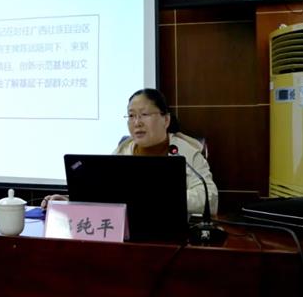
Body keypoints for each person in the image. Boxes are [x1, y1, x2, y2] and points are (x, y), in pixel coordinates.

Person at [42, 88, 219, 216]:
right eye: (131, 115)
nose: (137, 123)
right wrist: (69, 201)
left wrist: (154, 198)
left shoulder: (186, 152)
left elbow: (210, 199)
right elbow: (102, 193)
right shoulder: (122, 151)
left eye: (144, 115)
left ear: (166, 120)